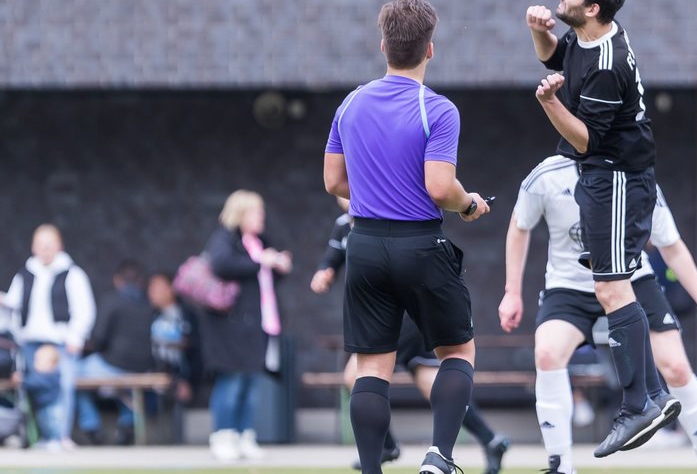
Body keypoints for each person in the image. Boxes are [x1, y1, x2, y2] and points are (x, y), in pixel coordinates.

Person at [323, 0, 491, 474]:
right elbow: (440, 188)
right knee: (457, 351)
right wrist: (468, 203)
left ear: (383, 45)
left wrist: (378, 189)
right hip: (419, 243)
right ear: (430, 49)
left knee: (372, 368)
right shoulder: (437, 109)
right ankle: (439, 457)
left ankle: (373, 470)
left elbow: (333, 182)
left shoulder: (351, 103)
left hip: (365, 246)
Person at [526, 0, 679, 458]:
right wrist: (539, 33)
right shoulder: (588, 37)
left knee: (612, 288)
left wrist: (550, 105)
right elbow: (556, 63)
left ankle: (638, 403)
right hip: (606, 178)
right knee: (613, 286)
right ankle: (653, 393)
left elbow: (588, 140)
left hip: (615, 179)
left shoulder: (608, 62)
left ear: (592, 8)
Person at [501, 154, 697, 474]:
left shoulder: (633, 173)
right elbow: (519, 225)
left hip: (631, 279)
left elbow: (672, 246)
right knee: (547, 353)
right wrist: (512, 291)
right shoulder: (547, 175)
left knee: (677, 367)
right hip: (569, 286)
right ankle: (560, 465)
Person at [311, 197, 510, 473]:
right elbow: (331, 258)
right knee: (431, 383)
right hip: (388, 304)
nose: (345, 199)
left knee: (361, 375)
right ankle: (487, 439)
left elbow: (439, 189)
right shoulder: (345, 225)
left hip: (403, 314)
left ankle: (388, 447)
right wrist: (324, 272)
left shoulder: (392, 212)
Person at [200, 189, 292, 462]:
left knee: (251, 382)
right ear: (240, 214)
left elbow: (266, 279)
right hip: (229, 326)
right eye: (256, 212)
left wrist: (278, 264)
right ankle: (223, 435)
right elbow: (221, 264)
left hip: (259, 323)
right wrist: (260, 261)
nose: (261, 217)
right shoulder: (225, 238)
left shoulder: (260, 241)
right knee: (230, 381)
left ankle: (245, 435)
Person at [2, 224, 95, 449]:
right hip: (30, 343)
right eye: (40, 245)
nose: (45, 249)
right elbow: (13, 306)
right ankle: (41, 437)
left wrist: (76, 337)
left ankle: (60, 436)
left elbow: (85, 309)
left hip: (60, 343)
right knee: (34, 390)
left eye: (49, 245)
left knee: (62, 388)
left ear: (59, 246)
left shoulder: (72, 273)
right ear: (34, 247)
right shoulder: (25, 274)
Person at [76, 259, 156, 445]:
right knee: (124, 388)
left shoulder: (112, 300)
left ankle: (91, 426)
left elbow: (99, 338)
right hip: (142, 367)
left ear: (118, 280)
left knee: (72, 374)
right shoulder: (149, 303)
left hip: (113, 364)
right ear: (141, 281)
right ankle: (127, 424)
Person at [148, 273, 201, 407]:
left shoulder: (185, 314)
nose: (152, 292)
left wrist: (186, 379)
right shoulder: (151, 315)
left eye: (158, 287)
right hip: (154, 375)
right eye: (151, 288)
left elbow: (193, 348)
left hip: (180, 377)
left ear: (171, 288)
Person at [23, 344, 64, 450]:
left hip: (50, 406)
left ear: (51, 364)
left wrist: (22, 380)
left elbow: (34, 383)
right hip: (42, 406)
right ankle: (47, 439)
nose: (35, 362)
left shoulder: (52, 375)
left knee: (52, 424)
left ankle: (55, 440)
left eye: (39, 360)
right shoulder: (41, 375)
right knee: (43, 425)